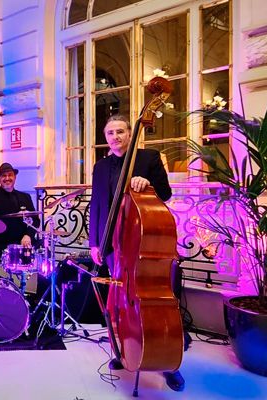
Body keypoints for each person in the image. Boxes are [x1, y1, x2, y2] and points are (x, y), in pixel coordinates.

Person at [88, 114, 185, 392]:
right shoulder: (100, 167)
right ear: (106, 138)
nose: (115, 137)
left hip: (141, 243)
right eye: (110, 133)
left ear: (130, 134)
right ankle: (123, 351)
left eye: (120, 131)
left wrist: (147, 183)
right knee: (119, 302)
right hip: (113, 242)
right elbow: (96, 204)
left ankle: (167, 362)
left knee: (157, 305)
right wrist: (94, 242)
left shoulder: (148, 158)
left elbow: (165, 194)